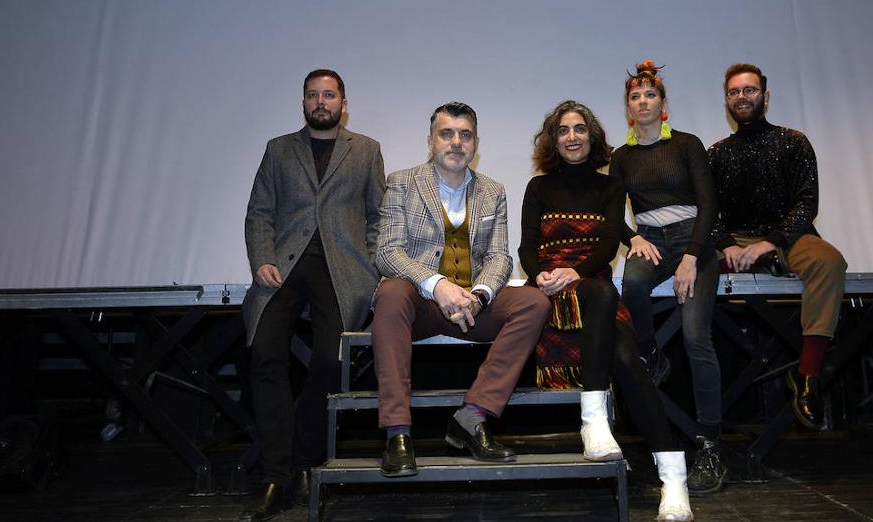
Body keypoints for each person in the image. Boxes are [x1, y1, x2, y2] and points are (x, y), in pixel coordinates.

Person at [519, 100, 693, 522]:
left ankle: (673, 480)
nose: (572, 137)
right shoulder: (537, 188)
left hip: (591, 281)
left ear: (592, 138)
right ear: (553, 140)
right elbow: (526, 247)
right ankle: (595, 419)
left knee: (626, 358)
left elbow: (607, 244)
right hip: (546, 291)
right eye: (563, 130)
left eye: (580, 129)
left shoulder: (610, 186)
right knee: (601, 300)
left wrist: (573, 271)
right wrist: (544, 275)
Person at [371, 102, 550, 477]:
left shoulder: (493, 191)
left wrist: (480, 295)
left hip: (473, 307)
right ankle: (398, 433)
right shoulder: (402, 182)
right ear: (431, 141)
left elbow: (500, 256)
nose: (456, 142)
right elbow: (388, 251)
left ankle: (472, 417)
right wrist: (437, 286)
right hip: (419, 305)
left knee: (533, 302)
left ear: (475, 143)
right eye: (446, 134)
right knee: (389, 292)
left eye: (464, 135)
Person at [240, 69, 386, 521]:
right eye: (312, 95)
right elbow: (259, 212)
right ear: (303, 102)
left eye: (329, 94)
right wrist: (261, 258)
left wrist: (372, 268)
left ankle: (304, 461)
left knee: (328, 361)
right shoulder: (278, 149)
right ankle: (275, 476)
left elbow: (379, 216)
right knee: (264, 353)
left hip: (342, 269)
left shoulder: (365, 150)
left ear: (344, 101)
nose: (320, 101)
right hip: (283, 267)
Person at [707, 62, 848, 430]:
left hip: (790, 237)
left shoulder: (794, 141)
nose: (742, 97)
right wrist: (728, 245)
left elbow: (807, 202)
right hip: (738, 240)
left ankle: (807, 374)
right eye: (735, 92)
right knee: (700, 267)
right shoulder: (717, 153)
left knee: (830, 262)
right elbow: (710, 211)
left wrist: (772, 242)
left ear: (765, 97)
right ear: (726, 100)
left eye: (749, 90)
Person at [611, 59, 726, 495]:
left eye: (650, 95)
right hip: (652, 237)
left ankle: (711, 445)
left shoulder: (687, 144)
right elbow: (609, 211)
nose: (643, 102)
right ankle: (650, 352)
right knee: (634, 283)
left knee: (698, 340)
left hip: (692, 236)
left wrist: (693, 256)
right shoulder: (621, 157)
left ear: (663, 104)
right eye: (635, 97)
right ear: (628, 108)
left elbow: (709, 204)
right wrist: (631, 237)